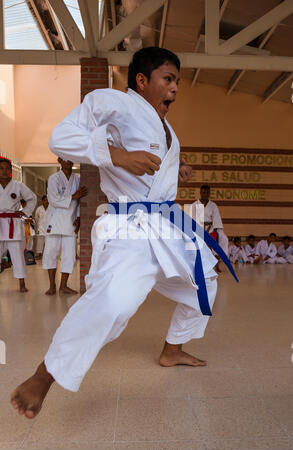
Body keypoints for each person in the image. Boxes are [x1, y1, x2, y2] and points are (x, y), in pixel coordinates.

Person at [10, 47, 236, 419]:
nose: (175, 88)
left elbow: (149, 163)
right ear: (142, 81)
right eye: (168, 79)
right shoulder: (113, 101)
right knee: (114, 302)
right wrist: (115, 155)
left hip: (164, 226)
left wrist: (174, 171)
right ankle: (45, 375)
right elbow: (61, 138)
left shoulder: (166, 129)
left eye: (177, 81)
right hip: (130, 227)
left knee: (205, 284)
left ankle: (172, 349)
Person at [42, 159, 87, 295]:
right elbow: (53, 199)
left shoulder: (78, 179)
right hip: (54, 221)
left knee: (69, 254)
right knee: (51, 253)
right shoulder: (53, 178)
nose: (68, 161)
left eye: (70, 158)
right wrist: (73, 196)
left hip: (70, 221)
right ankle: (51, 286)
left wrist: (79, 217)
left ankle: (63, 285)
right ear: (59, 160)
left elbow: (80, 201)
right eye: (64, 158)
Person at [0, 157, 37, 291]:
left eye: (6, 168)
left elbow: (32, 198)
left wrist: (25, 211)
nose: (4, 171)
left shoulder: (18, 185)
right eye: (1, 168)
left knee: (17, 253)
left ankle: (21, 283)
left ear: (11, 170)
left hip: (13, 222)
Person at [191, 185, 229, 272]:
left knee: (224, 239)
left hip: (211, 228)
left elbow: (216, 219)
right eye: (204, 192)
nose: (206, 194)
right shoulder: (194, 205)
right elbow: (192, 221)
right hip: (198, 229)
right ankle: (196, 265)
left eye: (207, 193)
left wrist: (214, 231)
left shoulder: (213, 205)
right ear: (200, 193)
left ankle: (216, 261)